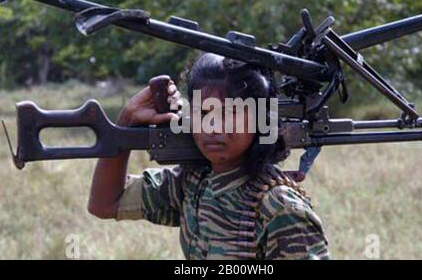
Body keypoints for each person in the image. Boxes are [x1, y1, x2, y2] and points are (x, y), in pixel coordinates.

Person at [88, 53, 330, 259]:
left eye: (230, 113)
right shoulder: (194, 183)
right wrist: (125, 124)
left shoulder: (279, 208)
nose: (213, 127)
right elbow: (105, 204)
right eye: (202, 113)